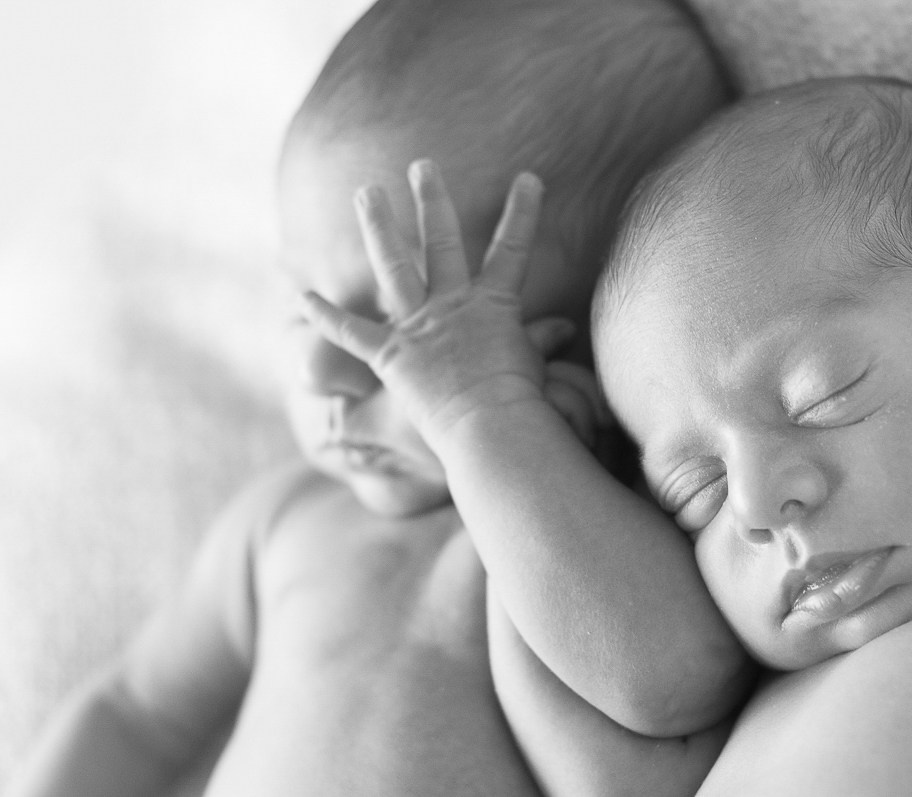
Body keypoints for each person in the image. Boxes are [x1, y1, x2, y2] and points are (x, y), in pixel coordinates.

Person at [303, 76, 912, 796]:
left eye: (822, 396)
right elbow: (609, 711)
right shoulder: (742, 710)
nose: (761, 503)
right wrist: (492, 428)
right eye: (696, 491)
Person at [4, 1, 741, 796]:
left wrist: (481, 420)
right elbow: (133, 715)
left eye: (397, 320)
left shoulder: (597, 552)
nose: (321, 373)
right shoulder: (285, 524)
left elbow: (675, 687)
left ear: (590, 336)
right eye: (305, 301)